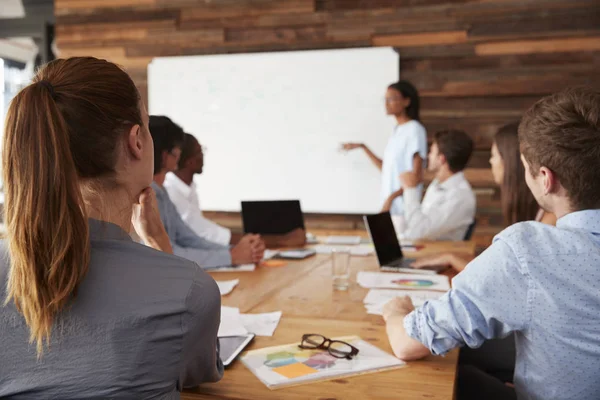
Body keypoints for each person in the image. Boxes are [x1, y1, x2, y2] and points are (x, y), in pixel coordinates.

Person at [0, 57, 222, 398]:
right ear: (136, 141)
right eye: (146, 126)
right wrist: (160, 244)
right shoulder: (189, 291)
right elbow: (198, 373)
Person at [383, 86, 600, 400]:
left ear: (545, 178)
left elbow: (407, 343)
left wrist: (395, 311)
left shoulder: (528, 249)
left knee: (457, 378)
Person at [413, 122, 556, 272]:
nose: (491, 161)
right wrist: (450, 257)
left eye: (494, 156)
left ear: (510, 162)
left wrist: (451, 258)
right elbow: (503, 266)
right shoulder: (533, 216)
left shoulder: (547, 222)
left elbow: (503, 275)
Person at [149, 116, 265, 268]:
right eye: (177, 149)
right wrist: (232, 256)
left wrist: (236, 251)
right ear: (166, 155)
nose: (179, 154)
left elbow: (188, 238)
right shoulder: (148, 194)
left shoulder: (161, 191)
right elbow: (170, 254)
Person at [164, 133, 306, 248]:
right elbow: (205, 233)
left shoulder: (188, 188)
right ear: (190, 161)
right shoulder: (171, 192)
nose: (203, 155)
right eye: (200, 151)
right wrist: (282, 240)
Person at [342, 80, 427, 216]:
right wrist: (363, 147)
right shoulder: (396, 131)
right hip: (390, 207)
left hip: (404, 209)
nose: (386, 103)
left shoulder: (414, 130)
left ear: (406, 101)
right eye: (385, 99)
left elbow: (416, 176)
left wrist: (391, 198)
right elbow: (387, 169)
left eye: (392, 99)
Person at [390, 129, 475, 241]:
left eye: (431, 152)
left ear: (441, 159)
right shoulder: (437, 184)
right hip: (421, 247)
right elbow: (417, 224)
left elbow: (419, 231)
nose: (428, 156)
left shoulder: (460, 196)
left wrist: (410, 190)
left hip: (437, 254)